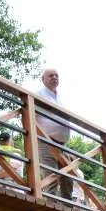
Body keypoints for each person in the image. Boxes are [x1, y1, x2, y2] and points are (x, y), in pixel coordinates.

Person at [34, 68, 72, 201]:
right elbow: (28, 114)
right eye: (51, 75)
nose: (54, 77)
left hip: (62, 143)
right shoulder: (38, 94)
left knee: (68, 175)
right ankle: (50, 205)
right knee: (51, 175)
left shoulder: (60, 97)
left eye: (56, 75)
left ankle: (67, 206)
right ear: (43, 79)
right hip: (46, 141)